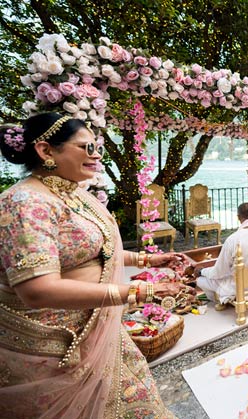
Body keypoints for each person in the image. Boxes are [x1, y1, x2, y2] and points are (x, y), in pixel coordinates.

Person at [0, 113, 186, 418]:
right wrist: (140, 291)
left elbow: (99, 250)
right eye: (87, 148)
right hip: (53, 350)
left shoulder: (75, 196)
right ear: (46, 151)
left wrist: (148, 259)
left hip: (97, 334)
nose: (96, 155)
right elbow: (37, 289)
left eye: (96, 147)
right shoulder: (26, 203)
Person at [196, 202, 248, 304]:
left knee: (201, 280)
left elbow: (218, 272)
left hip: (242, 288)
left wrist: (202, 271)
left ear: (238, 217)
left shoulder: (233, 239)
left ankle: (222, 301)